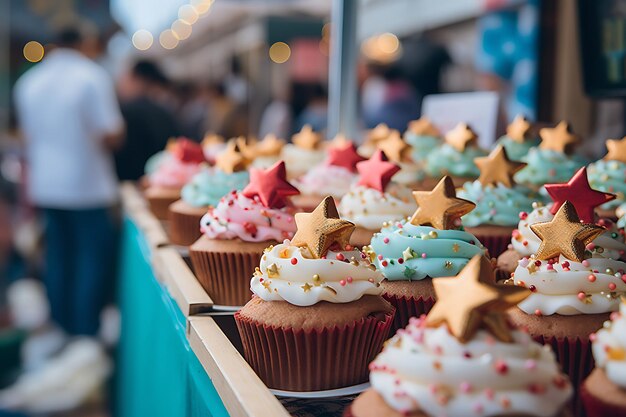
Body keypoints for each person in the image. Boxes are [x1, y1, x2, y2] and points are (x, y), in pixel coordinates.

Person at [13, 26, 124, 336]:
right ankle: (85, 331)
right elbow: (112, 133)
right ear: (84, 43)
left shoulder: (29, 81)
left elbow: (26, 135)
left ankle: (60, 326)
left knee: (58, 256)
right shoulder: (92, 76)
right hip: (86, 184)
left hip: (46, 184)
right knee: (91, 258)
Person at [115, 60, 180, 180]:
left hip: (133, 183)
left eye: (126, 79)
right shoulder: (164, 111)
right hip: (163, 180)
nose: (121, 84)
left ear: (138, 79)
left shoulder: (126, 112)